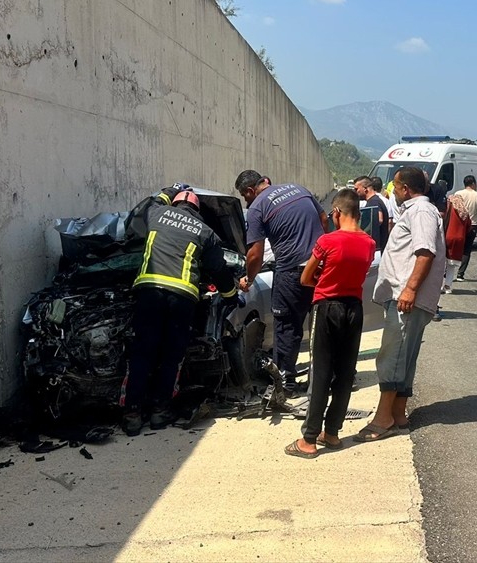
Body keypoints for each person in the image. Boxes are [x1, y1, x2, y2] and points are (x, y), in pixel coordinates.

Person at [124, 190, 238, 435]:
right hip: (181, 297)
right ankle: (159, 411)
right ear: (197, 210)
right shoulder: (205, 231)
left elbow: (146, 204)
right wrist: (231, 296)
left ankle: (132, 413)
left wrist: (167, 193)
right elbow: (218, 269)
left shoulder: (156, 213)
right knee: (171, 356)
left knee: (142, 352)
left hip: (149, 291)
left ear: (174, 203)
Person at [356, 167, 445, 442]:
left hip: (406, 297)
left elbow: (425, 252)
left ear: (405, 188)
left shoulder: (420, 212)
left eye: (395, 186)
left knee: (392, 355)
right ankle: (398, 414)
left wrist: (409, 289)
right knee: (404, 355)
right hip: (407, 296)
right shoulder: (418, 211)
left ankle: (383, 419)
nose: (392, 191)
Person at [285, 189, 375, 459]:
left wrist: (324, 282)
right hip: (353, 309)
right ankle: (332, 432)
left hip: (326, 308)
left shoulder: (327, 241)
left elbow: (305, 278)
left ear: (336, 212)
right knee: (345, 372)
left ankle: (309, 439)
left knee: (321, 372)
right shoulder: (370, 243)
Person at [234, 170, 326, 392]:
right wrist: (320, 253)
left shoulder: (257, 207)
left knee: (287, 326)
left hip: (291, 273)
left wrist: (249, 277)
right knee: (323, 324)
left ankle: (285, 383)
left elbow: (255, 254)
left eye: (244, 197)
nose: (246, 202)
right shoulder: (299, 189)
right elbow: (323, 219)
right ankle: (327, 379)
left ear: (249, 191)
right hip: (320, 268)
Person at [452, 175, 477, 281]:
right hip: (472, 225)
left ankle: (448, 272)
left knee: (455, 247)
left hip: (459, 225)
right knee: (467, 249)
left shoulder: (458, 194)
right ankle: (460, 274)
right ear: (473, 183)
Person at [354, 177, 390, 251]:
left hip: (376, 248)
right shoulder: (375, 201)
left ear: (365, 188)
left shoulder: (374, 202)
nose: (355, 192)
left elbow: (379, 219)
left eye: (357, 189)